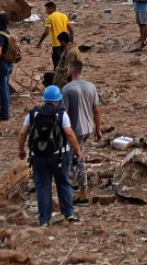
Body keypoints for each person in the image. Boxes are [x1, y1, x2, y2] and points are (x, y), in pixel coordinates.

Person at [18, 85, 82, 226]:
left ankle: (44, 219)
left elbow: (23, 133)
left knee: (42, 186)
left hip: (38, 156)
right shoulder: (61, 114)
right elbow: (69, 134)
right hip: (59, 155)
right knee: (63, 183)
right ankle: (68, 214)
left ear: (44, 99)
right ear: (58, 100)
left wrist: (21, 150)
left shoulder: (33, 114)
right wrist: (78, 150)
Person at [60, 60, 101, 202]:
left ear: (72, 70)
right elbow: (96, 110)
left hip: (73, 129)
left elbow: (63, 113)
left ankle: (83, 194)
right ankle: (76, 184)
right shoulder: (91, 86)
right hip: (87, 127)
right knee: (76, 156)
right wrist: (98, 129)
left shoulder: (67, 89)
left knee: (78, 159)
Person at [38, 2, 71, 71]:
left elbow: (46, 32)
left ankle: (58, 78)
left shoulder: (50, 17)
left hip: (56, 43)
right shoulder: (64, 16)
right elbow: (71, 30)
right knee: (63, 61)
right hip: (65, 43)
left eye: (47, 9)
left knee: (58, 64)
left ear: (52, 8)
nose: (46, 11)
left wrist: (39, 42)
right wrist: (71, 41)